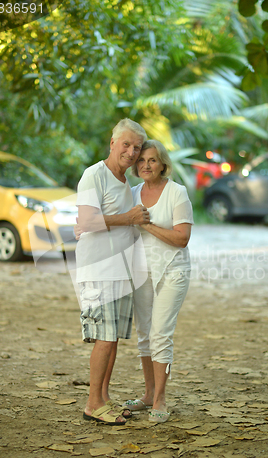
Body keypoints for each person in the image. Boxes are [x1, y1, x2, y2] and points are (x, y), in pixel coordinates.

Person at [76, 118, 150, 425]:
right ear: (112, 143)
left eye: (137, 147)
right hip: (98, 270)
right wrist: (129, 217)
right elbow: (86, 223)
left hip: (120, 272)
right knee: (104, 338)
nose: (132, 152)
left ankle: (104, 398)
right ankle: (93, 404)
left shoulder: (125, 183)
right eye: (126, 144)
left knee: (114, 337)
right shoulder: (94, 175)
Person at [125, 140, 193, 423]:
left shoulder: (177, 192)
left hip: (173, 271)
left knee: (161, 334)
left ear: (163, 163)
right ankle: (149, 393)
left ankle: (161, 398)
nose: (145, 165)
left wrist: (148, 226)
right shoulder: (132, 194)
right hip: (141, 271)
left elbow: (182, 238)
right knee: (144, 334)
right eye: (141, 161)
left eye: (152, 160)